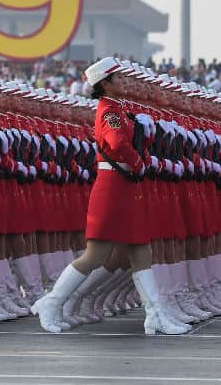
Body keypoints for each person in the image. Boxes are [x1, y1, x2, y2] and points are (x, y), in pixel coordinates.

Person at [31, 57, 190, 335]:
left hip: (124, 185)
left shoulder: (119, 109)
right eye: (119, 78)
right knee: (96, 254)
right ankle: (52, 303)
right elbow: (117, 142)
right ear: (105, 83)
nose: (125, 81)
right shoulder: (109, 111)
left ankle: (155, 314)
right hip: (113, 185)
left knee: (141, 249)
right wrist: (138, 161)